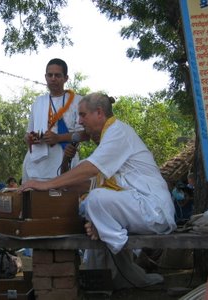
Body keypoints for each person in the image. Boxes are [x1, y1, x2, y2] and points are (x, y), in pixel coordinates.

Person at [19, 92, 177, 287]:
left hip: (152, 209)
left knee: (95, 199)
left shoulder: (118, 132)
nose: (79, 121)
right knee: (88, 202)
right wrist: (50, 186)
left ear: (99, 113)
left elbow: (91, 169)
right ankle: (109, 258)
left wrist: (45, 184)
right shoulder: (107, 138)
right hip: (138, 208)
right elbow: (82, 178)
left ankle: (109, 236)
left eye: (83, 115)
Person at [22, 58, 84, 183]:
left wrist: (58, 138)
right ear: (45, 77)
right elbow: (28, 134)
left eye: (58, 75)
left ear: (66, 78)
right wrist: (29, 138)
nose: (53, 78)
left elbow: (86, 134)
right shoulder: (38, 102)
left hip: (64, 161)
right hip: (36, 164)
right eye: (50, 75)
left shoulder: (78, 101)